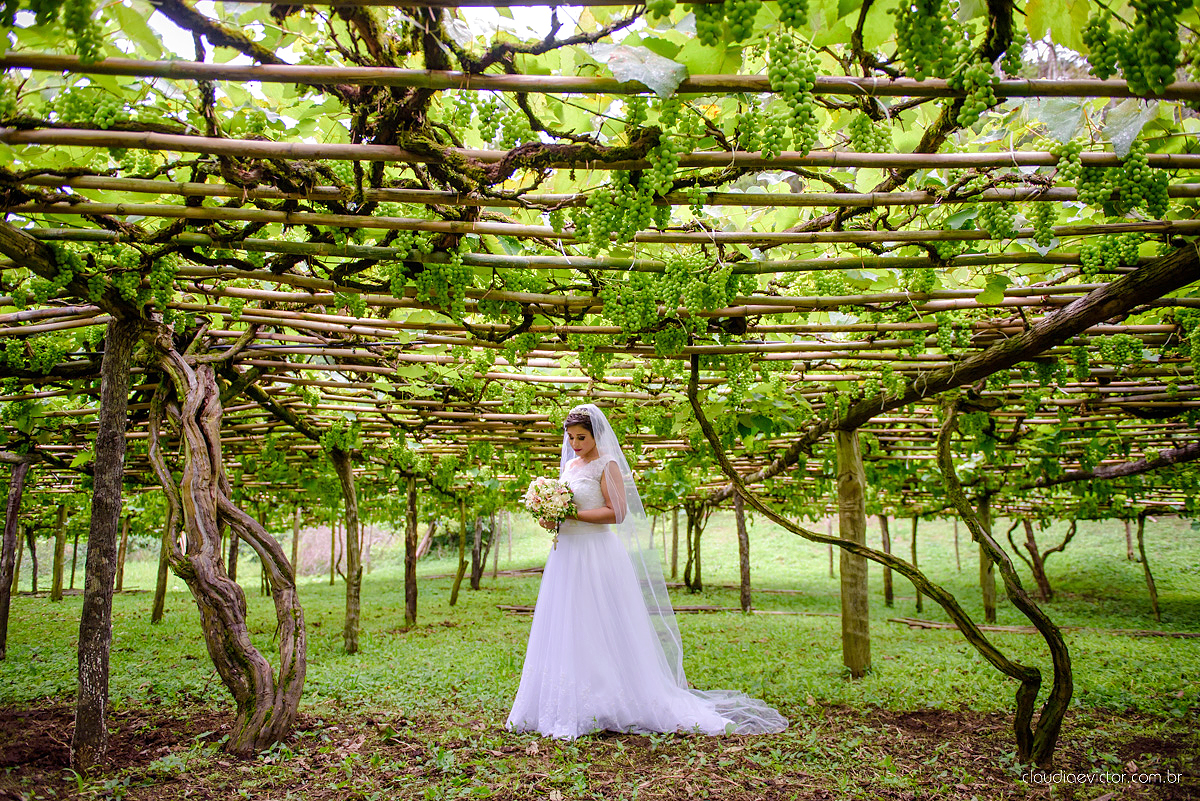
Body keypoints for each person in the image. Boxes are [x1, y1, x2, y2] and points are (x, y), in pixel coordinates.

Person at [506, 403, 787, 739]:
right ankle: (570, 701)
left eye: (581, 437)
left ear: (596, 435)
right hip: (565, 555)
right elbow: (561, 510)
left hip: (596, 553)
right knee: (567, 623)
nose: (576, 443)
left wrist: (571, 515)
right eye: (571, 437)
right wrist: (548, 515)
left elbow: (617, 513)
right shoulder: (569, 465)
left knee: (600, 624)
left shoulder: (606, 466)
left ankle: (609, 698)